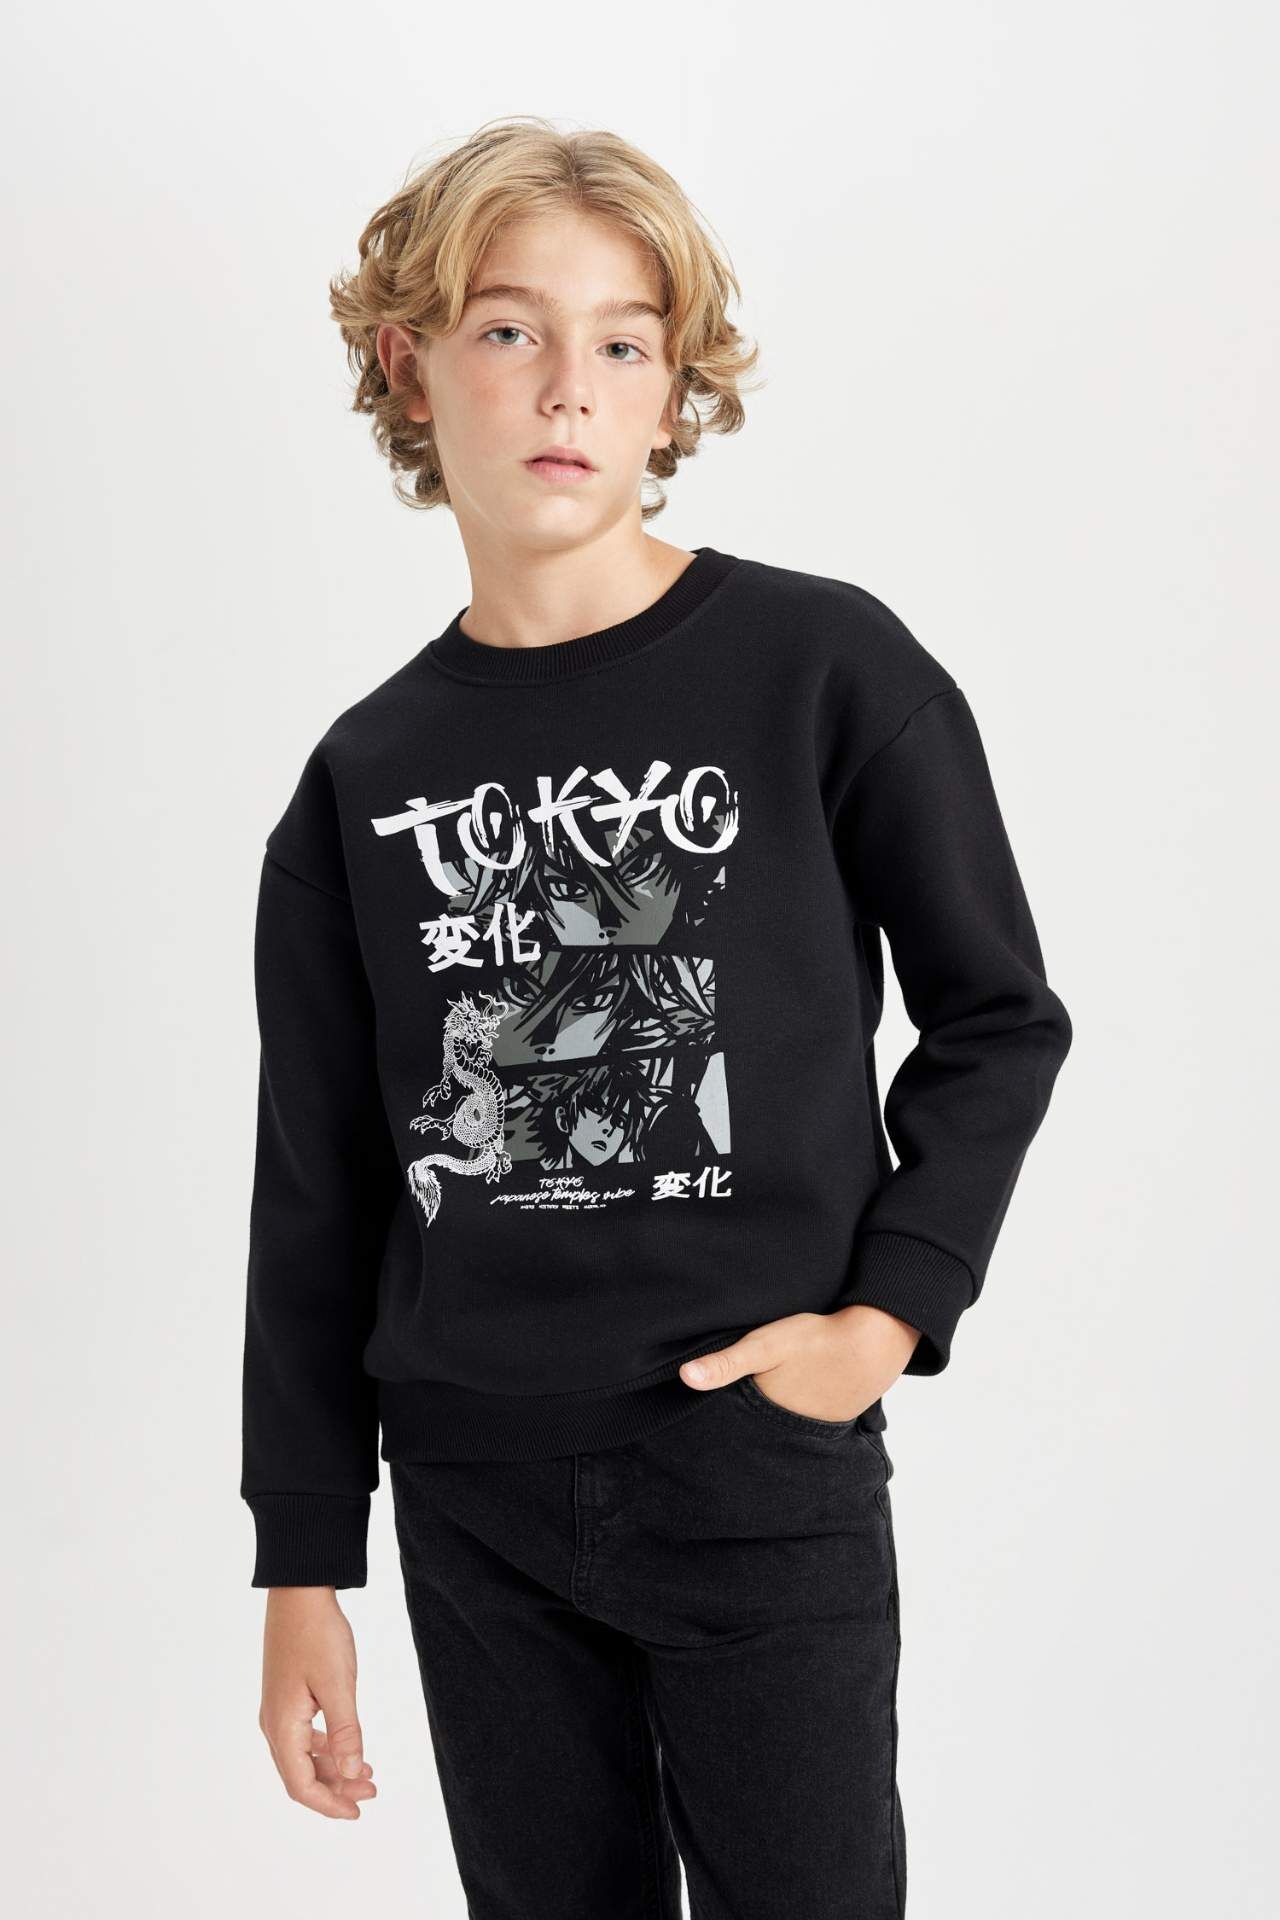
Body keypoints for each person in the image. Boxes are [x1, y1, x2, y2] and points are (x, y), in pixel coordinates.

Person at [241, 114, 1073, 1917]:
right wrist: (305, 1560)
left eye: (624, 343)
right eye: (509, 329)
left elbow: (1000, 1017)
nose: (569, 386)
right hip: (469, 1489)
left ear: (676, 388)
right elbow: (318, 1192)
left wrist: (885, 1318)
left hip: (752, 1457)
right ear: (408, 362)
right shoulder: (361, 780)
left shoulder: (823, 669)